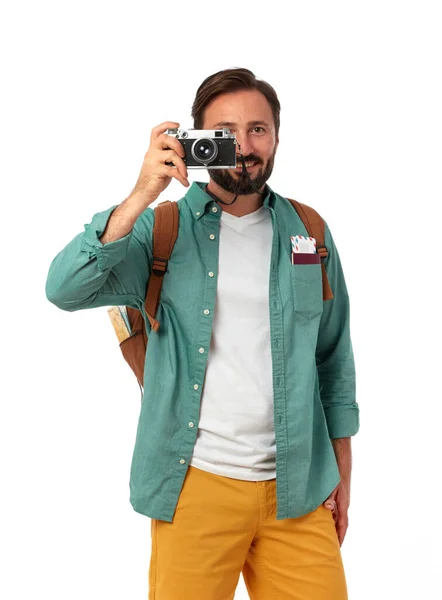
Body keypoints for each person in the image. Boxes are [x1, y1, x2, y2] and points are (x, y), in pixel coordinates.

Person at [46, 67, 359, 600]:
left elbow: (333, 360)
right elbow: (65, 287)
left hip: (300, 488)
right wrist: (141, 192)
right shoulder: (160, 228)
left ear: (277, 137)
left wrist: (342, 474)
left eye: (258, 129)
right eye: (225, 131)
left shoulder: (310, 232)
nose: (243, 144)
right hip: (195, 485)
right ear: (196, 141)